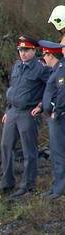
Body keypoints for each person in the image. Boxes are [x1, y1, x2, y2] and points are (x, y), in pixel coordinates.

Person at [0, 35, 52, 197]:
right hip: (13, 111)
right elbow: (13, 89)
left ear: (34, 50)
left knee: (29, 151)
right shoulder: (17, 66)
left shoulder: (41, 68)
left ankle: (28, 185)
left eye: (27, 50)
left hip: (28, 113)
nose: (23, 53)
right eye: (21, 50)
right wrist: (7, 109)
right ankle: (7, 182)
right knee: (6, 146)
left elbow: (51, 88)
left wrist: (41, 106)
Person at [41, 40, 65, 198]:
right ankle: (57, 185)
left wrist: (57, 110)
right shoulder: (56, 70)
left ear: (51, 55)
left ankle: (60, 189)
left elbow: (62, 93)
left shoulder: (61, 70)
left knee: (59, 154)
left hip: (58, 118)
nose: (43, 58)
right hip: (53, 117)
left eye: (44, 54)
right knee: (56, 153)